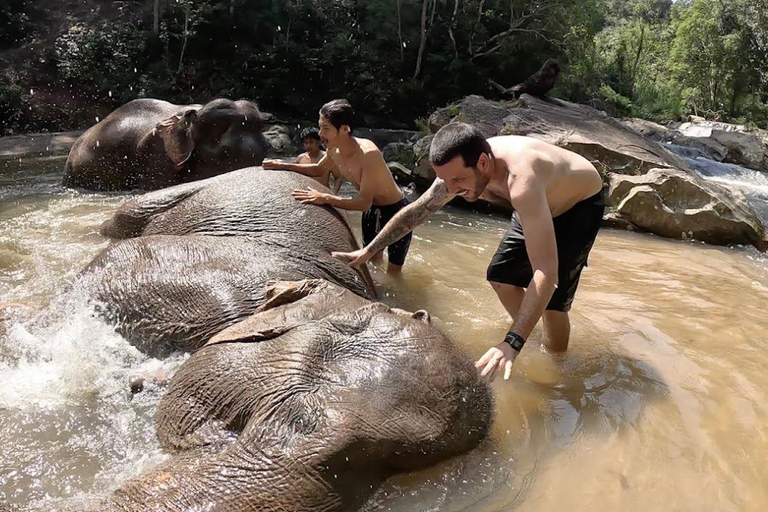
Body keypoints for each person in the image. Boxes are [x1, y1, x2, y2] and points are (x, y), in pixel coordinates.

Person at [332, 122, 604, 381]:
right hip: (538, 204)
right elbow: (415, 213)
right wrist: (369, 250)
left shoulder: (521, 181)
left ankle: (558, 365)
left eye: (459, 180)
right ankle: (529, 330)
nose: (452, 190)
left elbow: (546, 271)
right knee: (500, 276)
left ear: (483, 163)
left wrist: (511, 342)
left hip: (578, 205)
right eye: (445, 181)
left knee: (553, 300)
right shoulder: (455, 175)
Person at [263, 99, 412, 273]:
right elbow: (319, 169)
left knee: (393, 273)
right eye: (320, 127)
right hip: (372, 213)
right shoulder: (334, 150)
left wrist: (325, 198)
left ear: (344, 129)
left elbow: (363, 202)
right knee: (373, 264)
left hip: (395, 212)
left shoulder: (368, 153)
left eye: (325, 128)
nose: (320, 134)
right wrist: (282, 165)